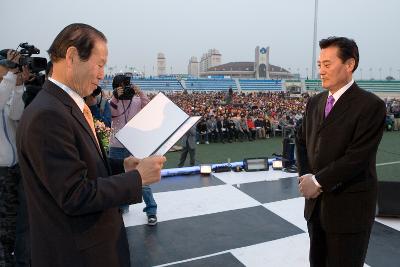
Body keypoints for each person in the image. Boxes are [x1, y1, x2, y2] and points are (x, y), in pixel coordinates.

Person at [16, 23, 165, 267]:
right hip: (78, 255)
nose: (102, 74)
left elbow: (81, 165)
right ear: (72, 56)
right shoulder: (48, 115)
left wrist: (122, 166)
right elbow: (75, 195)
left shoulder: (62, 105)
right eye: (99, 64)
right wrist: (137, 178)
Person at [295, 36, 386, 267]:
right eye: (319, 65)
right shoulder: (314, 102)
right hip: (316, 209)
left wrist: (317, 181)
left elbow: (357, 157)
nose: (321, 71)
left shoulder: (370, 105)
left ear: (349, 64)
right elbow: (302, 140)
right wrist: (306, 176)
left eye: (327, 65)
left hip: (349, 211)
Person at [109, 75, 158, 225]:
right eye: (122, 86)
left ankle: (151, 210)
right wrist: (116, 97)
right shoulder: (112, 102)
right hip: (116, 145)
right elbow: (112, 114)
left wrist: (140, 92)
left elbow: (149, 109)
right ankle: (123, 206)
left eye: (127, 86)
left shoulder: (137, 101)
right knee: (119, 179)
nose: (125, 89)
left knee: (141, 179)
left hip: (134, 144)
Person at [0, 50, 27, 267]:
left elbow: (16, 114)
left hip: (15, 169)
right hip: (0, 172)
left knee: (14, 220)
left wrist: (18, 86)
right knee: (3, 225)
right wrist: (11, 77)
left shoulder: (8, 88)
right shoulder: (2, 89)